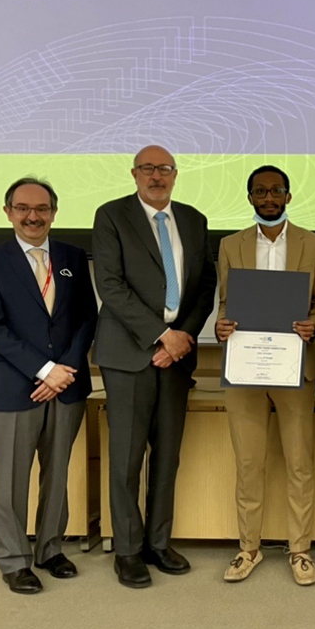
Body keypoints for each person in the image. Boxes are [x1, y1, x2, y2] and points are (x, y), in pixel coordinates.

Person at [92, 145, 217, 589]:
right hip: (129, 355)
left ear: (176, 175)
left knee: (168, 455)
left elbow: (206, 285)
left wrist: (181, 337)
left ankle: (157, 543)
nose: (156, 176)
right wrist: (160, 336)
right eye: (148, 168)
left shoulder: (194, 220)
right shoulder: (112, 216)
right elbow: (110, 285)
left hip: (177, 356)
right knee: (127, 456)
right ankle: (127, 550)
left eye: (164, 169)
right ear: (134, 174)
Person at [0, 177, 97, 594]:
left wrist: (64, 369)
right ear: (8, 212)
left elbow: (86, 319)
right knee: (10, 480)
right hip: (16, 388)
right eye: (23, 208)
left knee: (57, 473)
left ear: (54, 213)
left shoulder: (73, 257)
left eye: (42, 209)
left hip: (68, 385)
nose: (33, 216)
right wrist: (44, 370)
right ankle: (13, 560)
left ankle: (49, 549)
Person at [214, 165, 315, 585]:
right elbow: (226, 303)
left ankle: (300, 550)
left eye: (276, 190)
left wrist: (314, 325)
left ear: (288, 195)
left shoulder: (314, 244)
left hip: (295, 367)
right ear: (249, 198)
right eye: (260, 191)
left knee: (300, 462)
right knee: (249, 463)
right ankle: (249, 549)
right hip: (244, 368)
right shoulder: (230, 246)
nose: (268, 197)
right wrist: (220, 326)